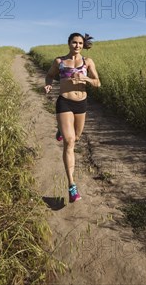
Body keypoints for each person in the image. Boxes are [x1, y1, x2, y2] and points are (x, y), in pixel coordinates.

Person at [44, 32, 101, 203]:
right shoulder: (59, 61)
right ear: (69, 43)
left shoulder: (88, 62)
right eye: (74, 42)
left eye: (80, 43)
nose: (77, 46)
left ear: (83, 45)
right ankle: (72, 186)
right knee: (69, 142)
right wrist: (48, 84)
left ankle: (61, 129)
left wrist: (87, 79)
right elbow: (50, 75)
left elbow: (98, 82)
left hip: (81, 104)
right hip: (65, 103)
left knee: (76, 137)